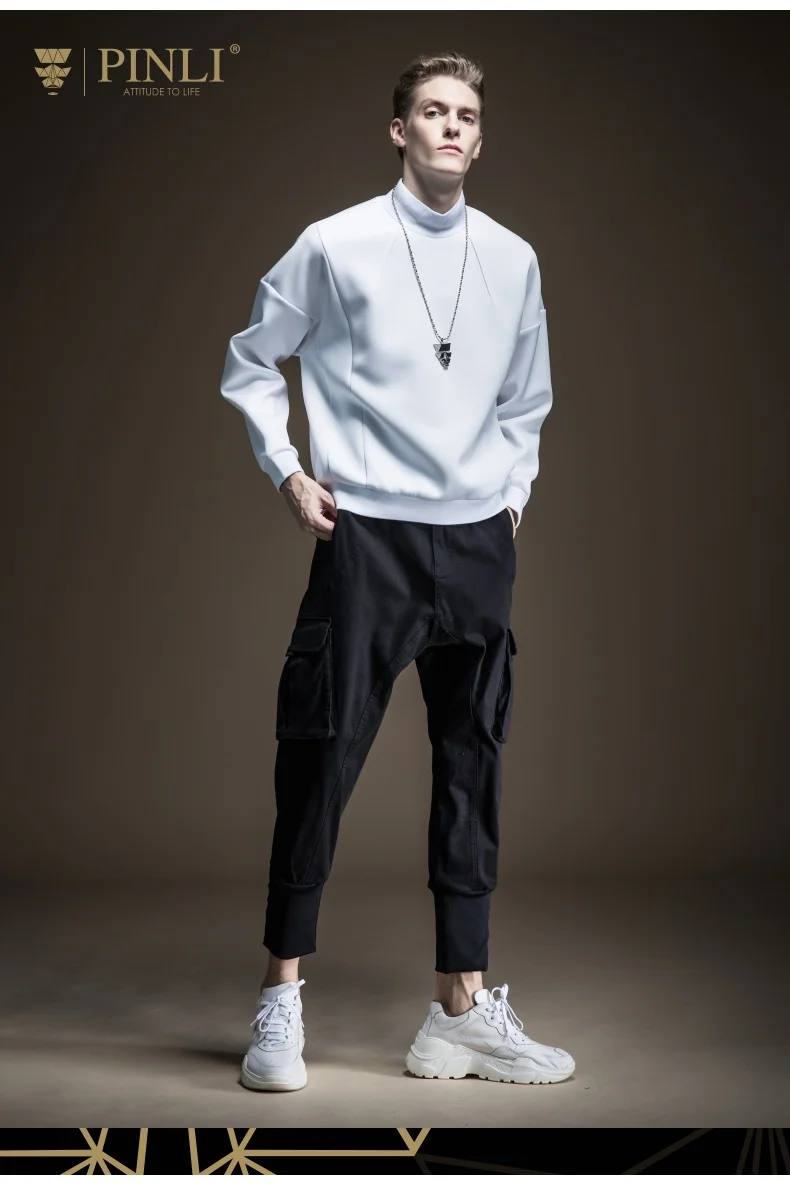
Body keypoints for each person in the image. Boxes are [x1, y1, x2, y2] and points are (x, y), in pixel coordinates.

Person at [219, 50, 575, 1092]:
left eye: (466, 114)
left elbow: (527, 399)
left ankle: (458, 1012)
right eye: (432, 110)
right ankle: (280, 999)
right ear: (399, 129)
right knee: (319, 755)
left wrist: (512, 500)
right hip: (366, 536)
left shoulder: (512, 257)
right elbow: (252, 359)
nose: (451, 126)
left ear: (480, 136)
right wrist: (288, 471)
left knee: (473, 765)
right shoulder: (334, 245)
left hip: (476, 544)